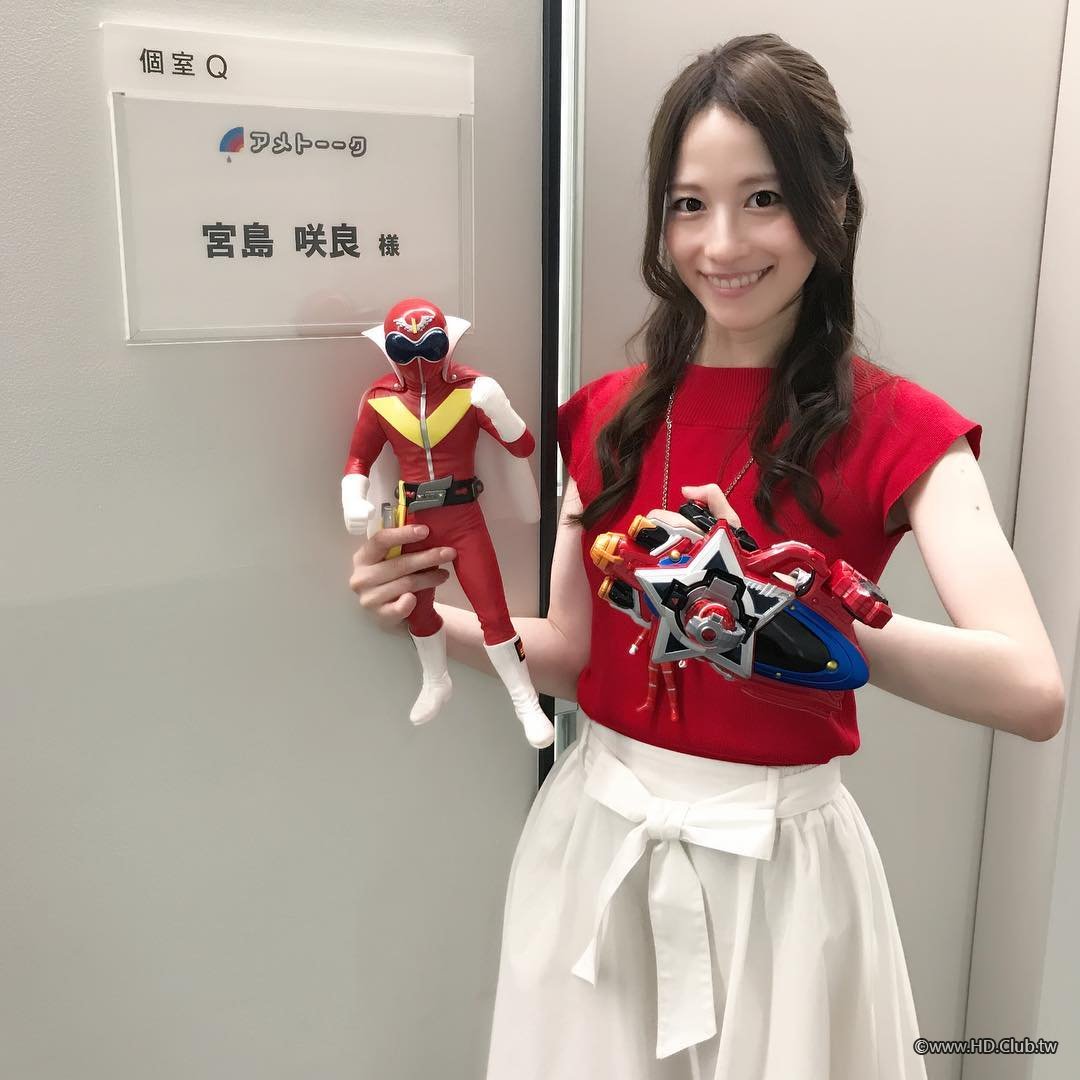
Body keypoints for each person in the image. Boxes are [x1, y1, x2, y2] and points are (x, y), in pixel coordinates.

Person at [348, 33, 1065, 1080]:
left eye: (762, 198)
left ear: (832, 205)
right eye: (689, 205)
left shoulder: (901, 428)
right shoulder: (607, 417)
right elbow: (572, 655)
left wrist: (793, 617)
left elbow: (1033, 693)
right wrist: (428, 616)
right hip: (597, 845)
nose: (721, 243)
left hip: (782, 880)